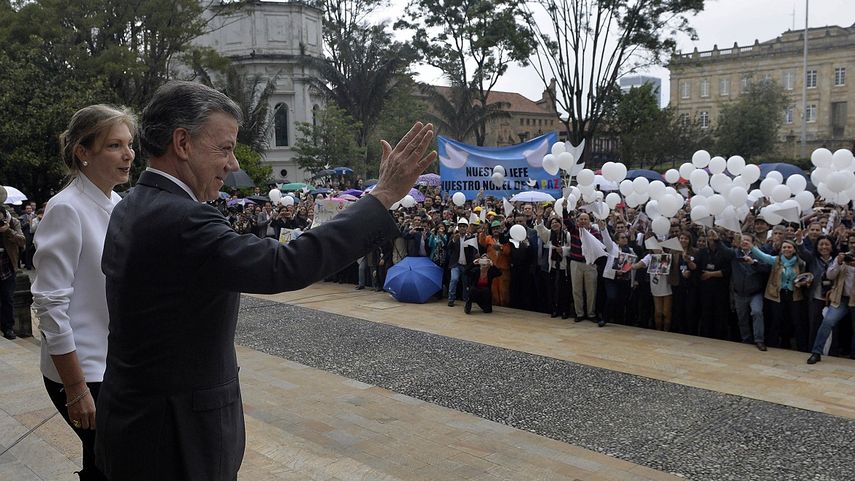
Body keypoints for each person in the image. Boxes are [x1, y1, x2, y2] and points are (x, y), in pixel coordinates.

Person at [94, 81, 436, 481]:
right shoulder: (184, 219)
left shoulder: (131, 204)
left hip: (135, 424)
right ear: (182, 143)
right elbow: (285, 264)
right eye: (224, 148)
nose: (233, 164)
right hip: (176, 439)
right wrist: (381, 196)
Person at [31, 104, 137, 481]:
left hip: (115, 365)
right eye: (114, 145)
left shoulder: (118, 204)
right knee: (111, 463)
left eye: (129, 144)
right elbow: (50, 305)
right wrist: (75, 387)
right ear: (83, 152)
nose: (128, 155)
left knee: (106, 463)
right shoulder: (66, 209)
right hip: (82, 369)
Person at [750, 239, 809, 349]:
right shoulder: (776, 260)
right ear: (781, 250)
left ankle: (801, 346)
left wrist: (803, 282)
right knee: (776, 320)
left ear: (794, 250)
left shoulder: (800, 263)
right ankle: (772, 344)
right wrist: (751, 247)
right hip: (777, 294)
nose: (787, 249)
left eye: (789, 247)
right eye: (784, 247)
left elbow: (806, 277)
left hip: (794, 295)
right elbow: (763, 256)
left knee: (796, 321)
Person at [807, 251, 855, 364]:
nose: (853, 245)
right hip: (840, 299)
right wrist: (838, 262)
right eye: (852, 243)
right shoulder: (842, 257)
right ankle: (816, 352)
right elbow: (830, 275)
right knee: (827, 322)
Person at [729, 233, 771, 350]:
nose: (745, 242)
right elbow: (723, 251)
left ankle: (759, 340)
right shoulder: (734, 253)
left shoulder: (758, 254)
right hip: (739, 293)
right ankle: (746, 339)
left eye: (747, 240)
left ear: (753, 242)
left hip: (755, 293)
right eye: (742, 240)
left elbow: (767, 268)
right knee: (742, 317)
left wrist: (754, 263)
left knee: (757, 313)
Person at [0, 205, 26, 339]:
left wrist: (8, 231)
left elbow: (22, 241)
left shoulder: (13, 222)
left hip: (7, 266)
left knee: (8, 298)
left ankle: (8, 328)